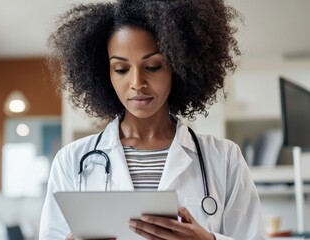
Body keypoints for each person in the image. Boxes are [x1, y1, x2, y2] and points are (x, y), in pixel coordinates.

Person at [39, 0, 265, 239]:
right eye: (121, 69)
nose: (137, 83)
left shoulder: (225, 159)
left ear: (179, 67)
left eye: (153, 66)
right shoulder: (71, 161)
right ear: (105, 74)